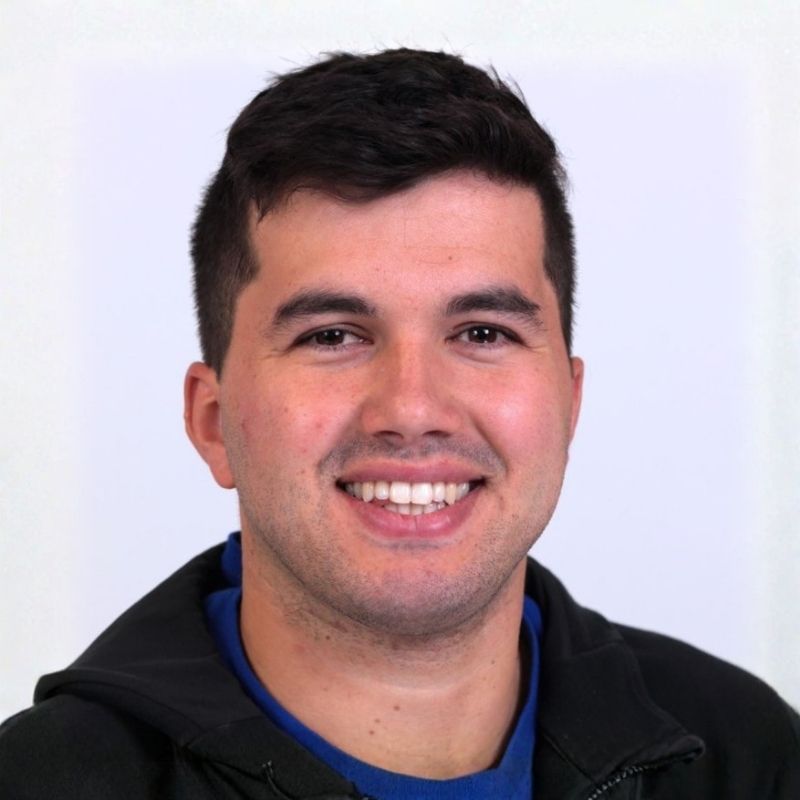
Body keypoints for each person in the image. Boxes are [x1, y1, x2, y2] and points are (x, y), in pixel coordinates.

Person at [1, 48, 797, 799]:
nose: (413, 409)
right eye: (332, 336)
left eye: (482, 332)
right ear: (212, 423)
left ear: (569, 402)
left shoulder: (749, 757)